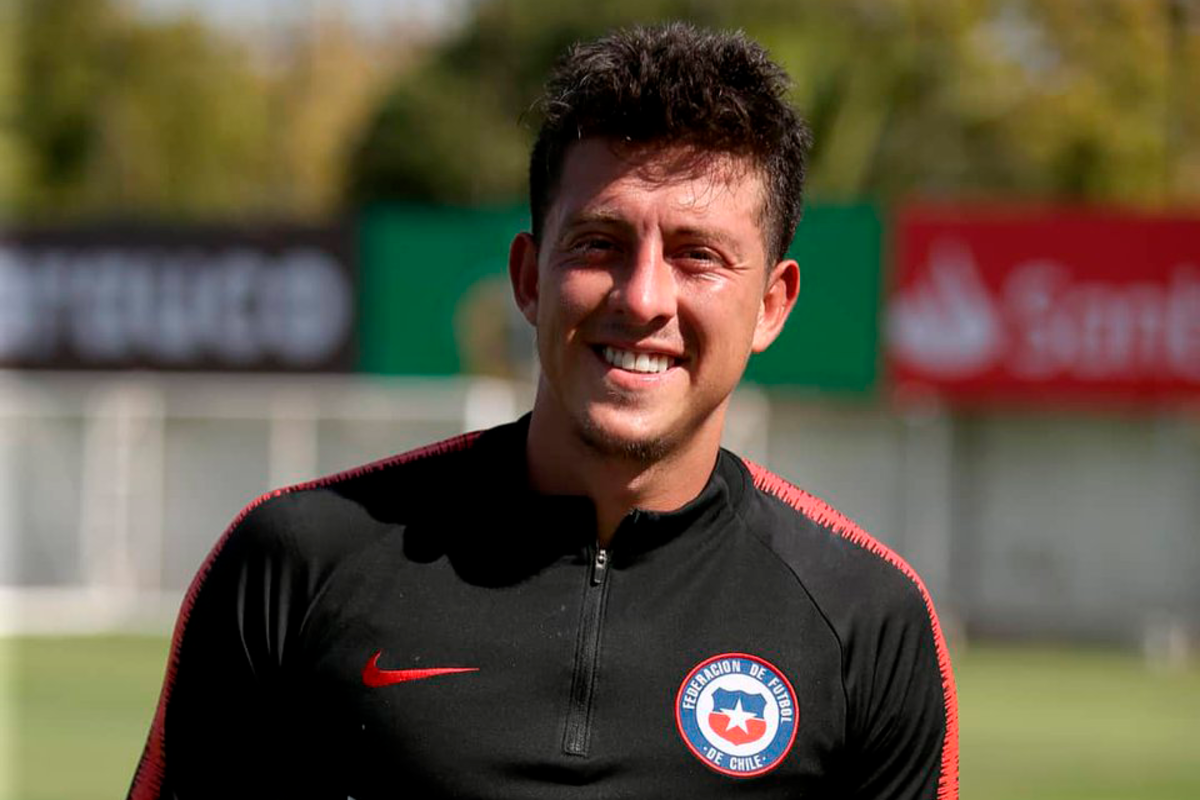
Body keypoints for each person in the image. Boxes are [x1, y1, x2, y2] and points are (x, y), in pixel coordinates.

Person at [129, 22, 957, 799]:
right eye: (598, 244)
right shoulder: (295, 564)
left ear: (773, 305)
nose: (642, 299)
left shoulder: (865, 622)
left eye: (698, 257)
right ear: (528, 278)